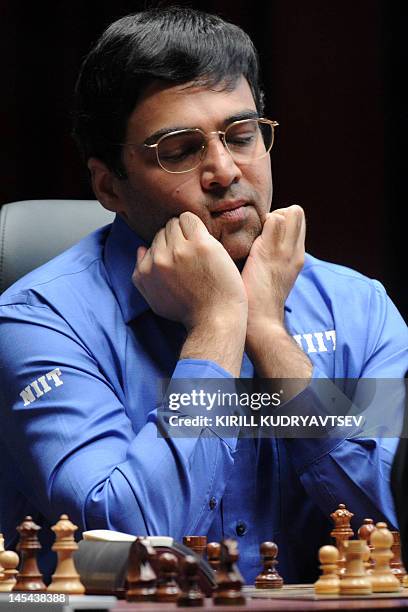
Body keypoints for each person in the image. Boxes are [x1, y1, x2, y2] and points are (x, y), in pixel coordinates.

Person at [0, 7, 407, 584]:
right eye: (181, 150)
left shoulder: (358, 309)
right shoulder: (39, 323)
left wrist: (267, 333)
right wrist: (218, 324)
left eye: (241, 136)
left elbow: (391, 519)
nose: (224, 169)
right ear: (109, 185)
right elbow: (122, 548)